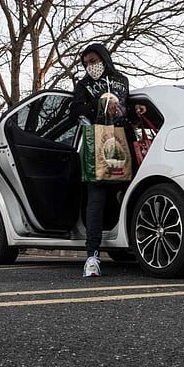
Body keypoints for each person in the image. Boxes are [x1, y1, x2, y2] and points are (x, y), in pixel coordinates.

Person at [70, 43, 130, 278]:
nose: (90, 66)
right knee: (96, 198)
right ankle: (92, 257)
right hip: (96, 145)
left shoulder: (121, 80)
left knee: (127, 191)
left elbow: (128, 107)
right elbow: (74, 112)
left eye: (93, 61)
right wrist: (97, 103)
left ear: (104, 58)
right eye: (86, 64)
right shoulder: (84, 85)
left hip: (122, 141)